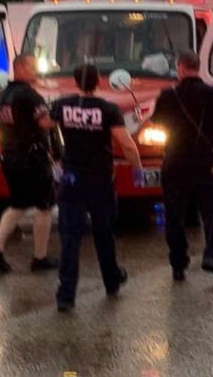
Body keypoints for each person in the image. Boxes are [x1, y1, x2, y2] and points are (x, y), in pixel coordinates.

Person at [50, 64, 143, 311]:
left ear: (75, 81)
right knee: (104, 234)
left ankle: (66, 295)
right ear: (99, 82)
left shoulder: (60, 105)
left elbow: (45, 128)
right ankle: (111, 279)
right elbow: (127, 144)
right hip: (100, 180)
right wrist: (137, 169)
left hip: (70, 179)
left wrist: (55, 158)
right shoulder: (108, 109)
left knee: (70, 238)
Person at [150, 51, 213, 281]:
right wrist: (211, 133)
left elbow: (156, 125)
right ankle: (212, 256)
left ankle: (178, 263)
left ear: (180, 67)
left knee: (174, 214)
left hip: (175, 161)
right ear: (198, 68)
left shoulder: (167, 96)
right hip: (206, 162)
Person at [0, 54, 58, 273]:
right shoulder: (30, 96)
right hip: (32, 158)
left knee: (18, 204)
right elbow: (44, 122)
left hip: (10, 157)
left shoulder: (3, 96)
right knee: (44, 206)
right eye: (32, 67)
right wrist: (59, 116)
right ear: (21, 69)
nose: (36, 72)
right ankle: (40, 257)